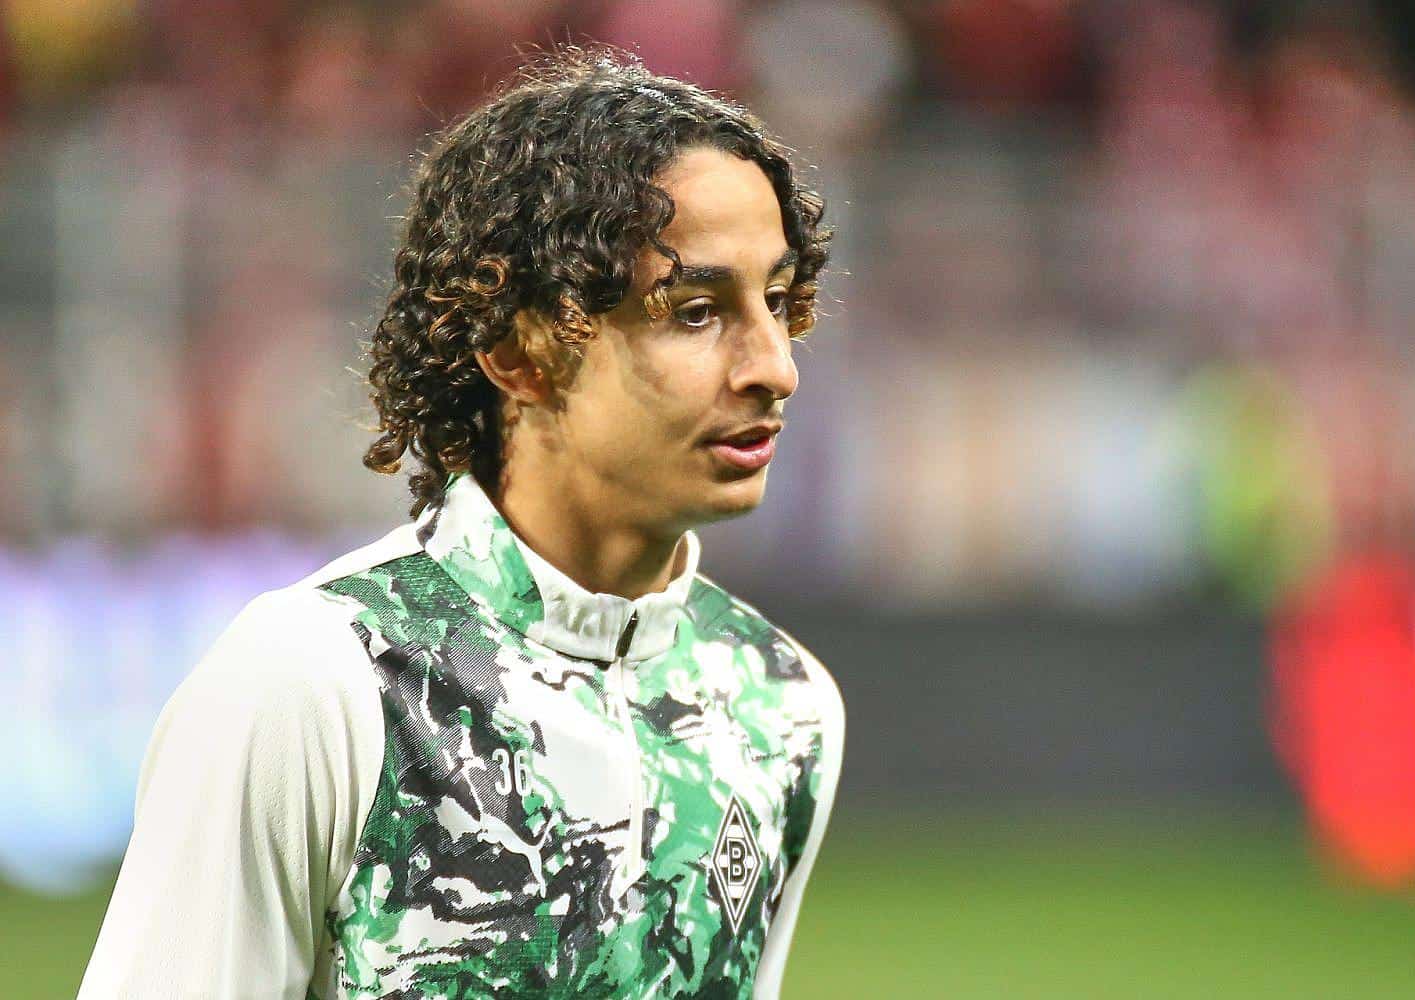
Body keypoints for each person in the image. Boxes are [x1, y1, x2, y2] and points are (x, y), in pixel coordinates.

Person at [78, 48, 844, 999]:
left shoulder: (781, 709)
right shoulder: (320, 682)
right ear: (519, 352)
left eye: (777, 301)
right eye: (693, 311)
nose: (776, 367)